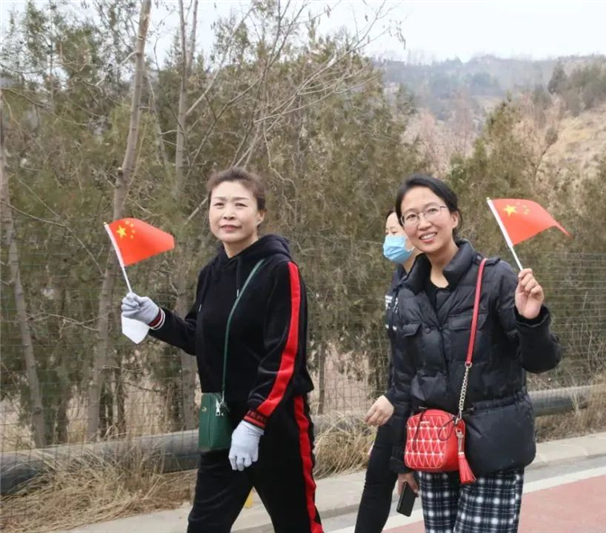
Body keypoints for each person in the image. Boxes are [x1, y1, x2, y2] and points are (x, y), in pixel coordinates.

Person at [120, 167, 323, 533]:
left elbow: (285, 355)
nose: (228, 213)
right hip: (222, 422)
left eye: (240, 204)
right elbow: (197, 337)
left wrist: (255, 422)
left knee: (296, 524)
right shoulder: (211, 272)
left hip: (275, 426)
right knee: (204, 525)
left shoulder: (280, 270)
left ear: (259, 214)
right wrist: (155, 318)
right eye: (219, 204)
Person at [388, 174, 561, 533]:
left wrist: (531, 320)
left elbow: (541, 362)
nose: (423, 223)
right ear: (404, 228)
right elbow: (403, 381)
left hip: (494, 445)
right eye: (411, 216)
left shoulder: (495, 278)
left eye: (432, 210)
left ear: (453, 216)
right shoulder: (407, 294)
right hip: (434, 447)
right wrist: (402, 460)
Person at [356, 210, 420, 532]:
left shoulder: (428, 283)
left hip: (422, 407)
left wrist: (403, 455)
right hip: (396, 399)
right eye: (386, 232)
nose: (388, 239)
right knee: (376, 479)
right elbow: (399, 355)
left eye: (394, 232)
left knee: (430, 489)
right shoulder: (398, 277)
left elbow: (421, 359)